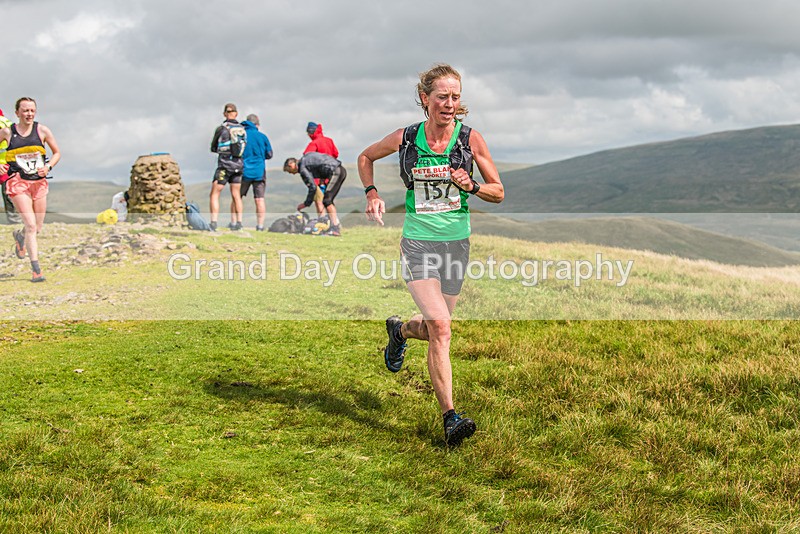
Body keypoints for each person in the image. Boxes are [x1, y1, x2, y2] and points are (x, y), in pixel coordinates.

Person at [357, 64, 504, 446]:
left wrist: (470, 184)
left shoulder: (471, 140)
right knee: (441, 328)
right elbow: (365, 156)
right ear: (425, 99)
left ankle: (401, 330)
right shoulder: (407, 138)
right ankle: (450, 418)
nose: (450, 104)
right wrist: (372, 193)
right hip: (417, 243)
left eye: (455, 97)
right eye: (442, 96)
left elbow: (498, 191)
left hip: (456, 245)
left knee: (433, 327)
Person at [0, 97, 61, 282]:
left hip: (39, 182)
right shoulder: (7, 132)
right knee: (31, 225)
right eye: (25, 110)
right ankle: (36, 270)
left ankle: (20, 237)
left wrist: (48, 166)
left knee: (38, 227)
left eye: (32, 110)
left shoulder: (42, 130)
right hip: (17, 182)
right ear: (17, 113)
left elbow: (57, 153)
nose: (29, 114)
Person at [283, 153, 346, 236]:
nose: (292, 174)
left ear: (291, 164)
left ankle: (335, 228)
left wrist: (306, 204)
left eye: (289, 171)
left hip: (336, 171)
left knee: (327, 200)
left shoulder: (302, 167)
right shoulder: (305, 160)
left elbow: (312, 187)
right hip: (338, 169)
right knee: (327, 200)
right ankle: (332, 226)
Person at [209, 103, 246, 231]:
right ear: (236, 113)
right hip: (238, 165)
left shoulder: (221, 129)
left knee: (215, 193)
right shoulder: (242, 129)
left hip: (224, 165)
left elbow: (213, 147)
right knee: (236, 195)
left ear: (225, 114)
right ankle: (239, 223)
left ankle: (213, 222)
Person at [240, 114, 273, 231]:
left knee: (237, 197)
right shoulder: (262, 137)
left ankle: (236, 222)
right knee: (259, 199)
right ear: (257, 124)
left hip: (244, 171)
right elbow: (269, 154)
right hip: (259, 172)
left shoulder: (242, 136)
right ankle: (260, 225)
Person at [304, 122, 339, 218]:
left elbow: (307, 157)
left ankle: (322, 223)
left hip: (318, 178)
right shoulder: (329, 141)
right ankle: (334, 222)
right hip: (331, 175)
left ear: (311, 132)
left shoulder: (313, 143)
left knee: (319, 200)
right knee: (328, 200)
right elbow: (336, 154)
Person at [0, 108, 21, 225]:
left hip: (4, 165)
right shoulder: (8, 123)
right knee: (10, 194)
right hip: (10, 164)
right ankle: (15, 222)